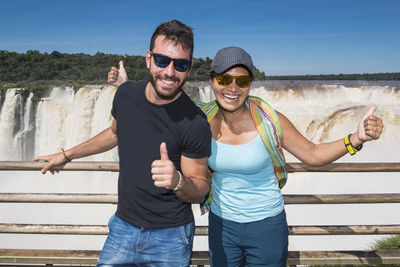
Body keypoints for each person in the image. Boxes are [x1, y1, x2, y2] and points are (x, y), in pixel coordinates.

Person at [108, 47, 383, 267]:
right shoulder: (199, 118)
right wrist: (125, 87)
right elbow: (162, 100)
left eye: (242, 81)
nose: (232, 88)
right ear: (212, 81)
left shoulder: (270, 119)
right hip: (221, 224)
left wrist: (355, 139)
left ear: (250, 83)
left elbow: (312, 154)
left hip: (266, 226)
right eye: (224, 79)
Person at [33, 19, 212, 267]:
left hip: (170, 237)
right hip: (122, 227)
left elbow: (201, 187)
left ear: (189, 68)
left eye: (180, 64)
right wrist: (67, 155)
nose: (170, 72)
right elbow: (115, 133)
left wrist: (177, 181)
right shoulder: (126, 94)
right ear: (148, 58)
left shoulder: (194, 121)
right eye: (162, 60)